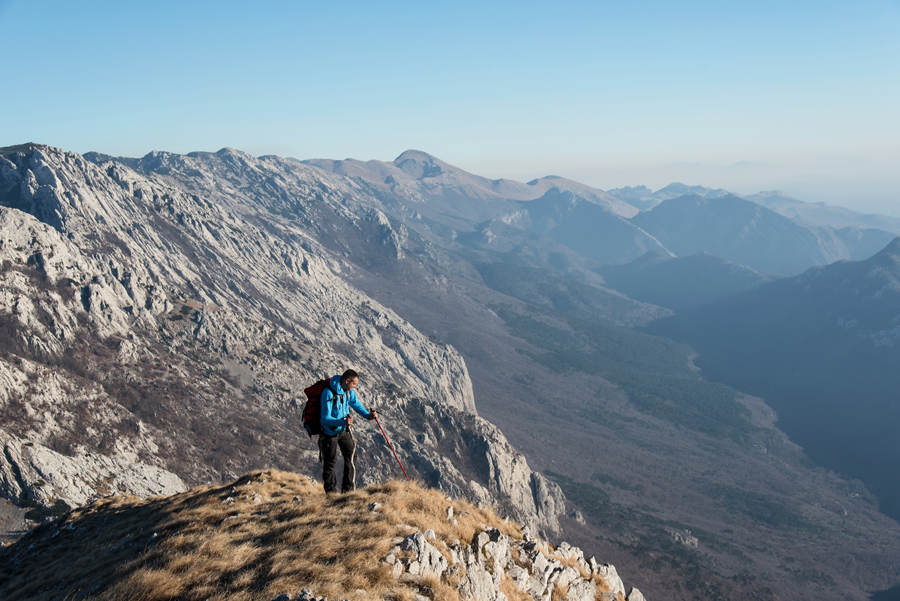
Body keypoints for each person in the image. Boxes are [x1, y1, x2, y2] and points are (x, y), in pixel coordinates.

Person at [319, 369, 376, 493]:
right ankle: (331, 493)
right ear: (347, 381)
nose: (355, 386)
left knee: (351, 456)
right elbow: (325, 418)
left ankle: (347, 491)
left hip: (343, 430)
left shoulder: (348, 392)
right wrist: (342, 422)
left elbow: (356, 404)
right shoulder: (328, 393)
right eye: (354, 384)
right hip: (329, 433)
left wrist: (368, 416)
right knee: (330, 462)